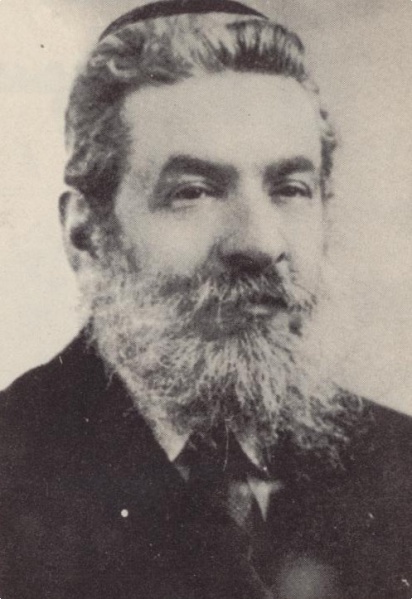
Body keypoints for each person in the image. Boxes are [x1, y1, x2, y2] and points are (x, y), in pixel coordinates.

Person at [0, 1, 411, 598]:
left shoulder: (400, 465)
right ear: (85, 232)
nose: (260, 243)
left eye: (290, 188)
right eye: (192, 191)